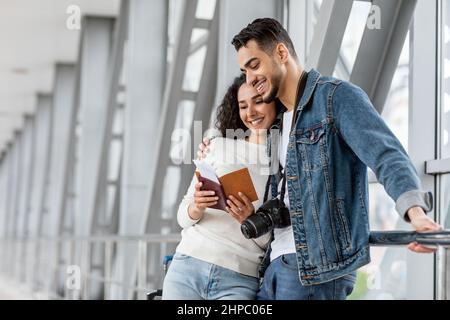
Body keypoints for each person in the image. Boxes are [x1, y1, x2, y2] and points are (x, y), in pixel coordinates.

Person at [199, 18, 441, 300]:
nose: (250, 79)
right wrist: (212, 148)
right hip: (274, 265)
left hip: (314, 270)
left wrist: (416, 213)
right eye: (244, 70)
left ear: (280, 53)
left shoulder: (336, 98)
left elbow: (386, 154)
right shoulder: (278, 122)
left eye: (254, 65)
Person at [162, 75, 283, 300]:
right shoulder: (217, 146)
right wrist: (196, 207)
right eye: (243, 106)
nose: (251, 113)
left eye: (258, 101)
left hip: (239, 278)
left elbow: (273, 242)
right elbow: (183, 216)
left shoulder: (284, 162)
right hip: (187, 266)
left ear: (275, 100)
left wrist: (250, 219)